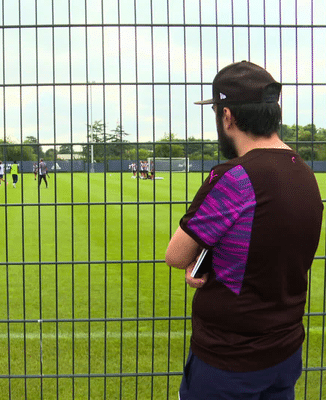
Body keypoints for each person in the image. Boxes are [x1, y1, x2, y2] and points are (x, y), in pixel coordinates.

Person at [165, 61, 323, 400]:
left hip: (229, 361)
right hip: (284, 351)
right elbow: (266, 246)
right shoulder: (305, 174)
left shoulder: (234, 177)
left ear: (227, 117)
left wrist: (198, 263)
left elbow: (176, 256)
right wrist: (212, 263)